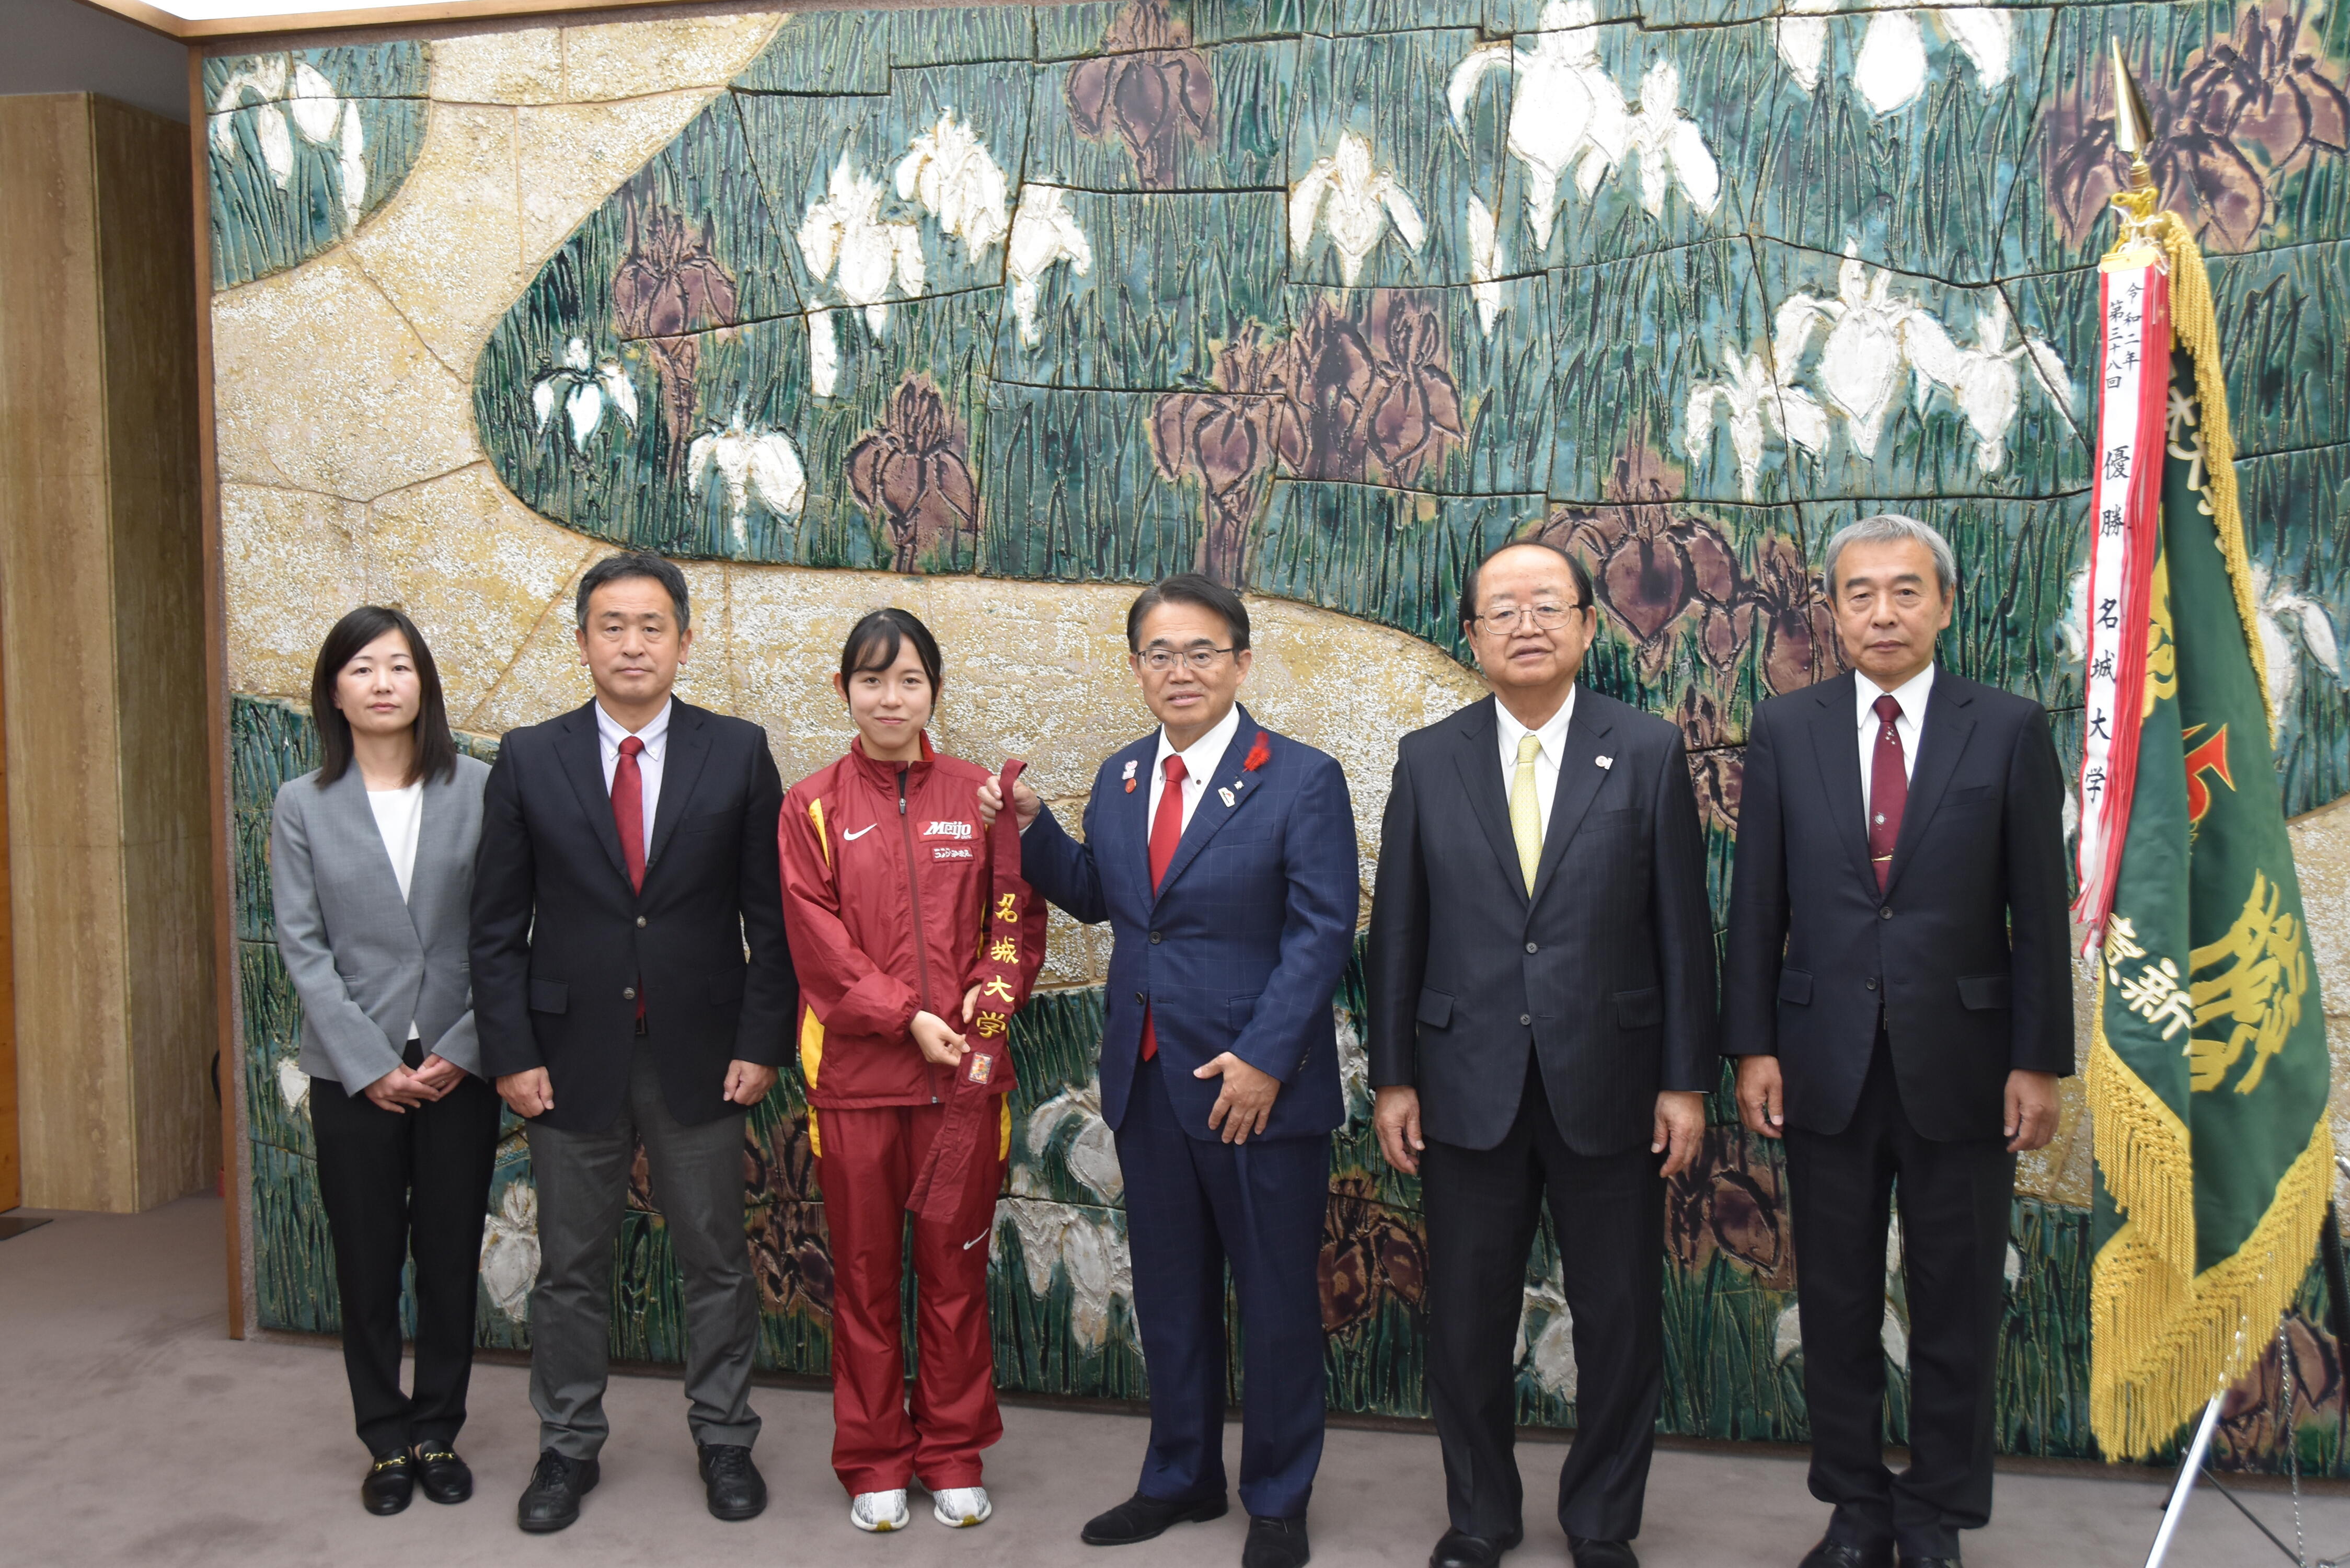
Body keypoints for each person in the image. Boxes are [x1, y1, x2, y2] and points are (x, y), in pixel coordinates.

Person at [986, 574, 1356, 1568]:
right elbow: (1107, 899)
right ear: (1138, 666)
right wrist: (1032, 829)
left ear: (1241, 661)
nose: (1179, 670)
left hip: (1253, 1090)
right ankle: (1180, 1476)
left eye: (1201, 651)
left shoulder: (1301, 777)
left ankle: (1278, 1498)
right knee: (1172, 1295)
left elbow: (1323, 934)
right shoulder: (1119, 778)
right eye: (1160, 652)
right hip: (1148, 1084)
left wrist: (1268, 1059)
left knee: (1276, 1297)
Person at [1721, 514, 2069, 1568]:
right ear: (1828, 610)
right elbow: (1757, 904)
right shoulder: (1786, 728)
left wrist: (2036, 1058)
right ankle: (1857, 1510)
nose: (1882, 611)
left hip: (1965, 1064)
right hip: (1821, 1058)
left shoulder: (2006, 728)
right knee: (1832, 1298)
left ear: (1945, 604)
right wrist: (1751, 1047)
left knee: (1956, 1301)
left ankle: (1937, 1518)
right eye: (1860, 593)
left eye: (1905, 591)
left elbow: (2038, 911)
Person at [1366, 539, 1717, 1568]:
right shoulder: (1429, 758)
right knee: (1468, 1320)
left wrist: (1684, 1081)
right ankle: (1478, 1513)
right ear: (1470, 636)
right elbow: (1400, 932)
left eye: (1546, 606)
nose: (1525, 624)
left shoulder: (1645, 750)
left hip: (1609, 1083)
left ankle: (1603, 1519)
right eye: (1501, 609)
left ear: (1585, 626)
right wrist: (1394, 1075)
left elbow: (1682, 932)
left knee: (1618, 1318)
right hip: (1463, 1082)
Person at [470, 551, 797, 1534]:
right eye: (611, 626)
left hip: (702, 1050)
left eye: (652, 626)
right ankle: (567, 1448)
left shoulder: (737, 752)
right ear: (582, 642)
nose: (632, 644)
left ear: (684, 641)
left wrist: (763, 1040)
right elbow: (495, 927)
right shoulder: (530, 755)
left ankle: (725, 1437)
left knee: (716, 1259)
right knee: (571, 1264)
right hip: (567, 1057)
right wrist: (511, 1052)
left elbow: (770, 922)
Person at [777, 607, 1046, 1535]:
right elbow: (817, 945)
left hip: (963, 1090)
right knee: (861, 1277)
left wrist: (982, 1003)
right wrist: (909, 1017)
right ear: (844, 690)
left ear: (935, 690)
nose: (890, 698)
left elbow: (1015, 917)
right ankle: (874, 1457)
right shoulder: (810, 805)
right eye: (871, 680)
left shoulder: (980, 797)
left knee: (954, 1271)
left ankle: (952, 1450)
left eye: (909, 680)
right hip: (856, 1087)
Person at [271, 605, 499, 1516]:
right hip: (351, 1073)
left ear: (424, 684)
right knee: (366, 1262)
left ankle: (439, 1427)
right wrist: (368, 1062)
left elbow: (507, 927)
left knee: (450, 1256)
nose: (382, 684)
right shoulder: (302, 803)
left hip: (460, 1064)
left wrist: (464, 1046)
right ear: (335, 688)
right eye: (362, 668)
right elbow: (301, 943)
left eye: (399, 666)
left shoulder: (479, 787)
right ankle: (383, 1439)